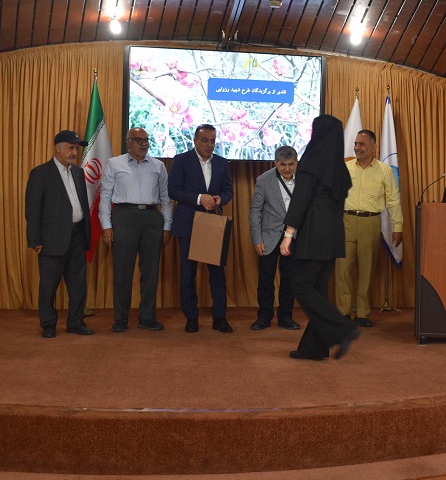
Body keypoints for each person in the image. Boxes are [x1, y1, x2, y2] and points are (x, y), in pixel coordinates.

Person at [280, 115, 360, 361]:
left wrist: (288, 234)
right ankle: (314, 348)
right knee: (318, 290)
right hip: (333, 235)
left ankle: (342, 328)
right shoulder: (339, 168)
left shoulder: (312, 160)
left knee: (301, 285)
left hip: (313, 234)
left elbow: (300, 200)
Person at [99, 127, 173, 333]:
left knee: (150, 272)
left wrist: (167, 226)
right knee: (122, 272)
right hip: (124, 216)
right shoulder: (114, 164)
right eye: (139, 140)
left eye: (146, 140)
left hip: (152, 217)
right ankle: (120, 319)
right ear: (128, 142)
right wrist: (106, 226)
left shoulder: (158, 166)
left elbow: (166, 199)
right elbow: (105, 196)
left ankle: (147, 318)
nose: (144, 144)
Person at [24, 130, 94, 338]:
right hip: (52, 239)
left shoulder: (78, 173)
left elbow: (82, 204)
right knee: (48, 285)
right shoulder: (41, 173)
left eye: (76, 149)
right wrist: (35, 240)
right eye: (71, 148)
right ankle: (48, 324)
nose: (74, 152)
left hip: (78, 236)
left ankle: (75, 322)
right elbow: (33, 210)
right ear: (58, 148)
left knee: (78, 284)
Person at [169, 124, 235, 333]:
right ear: (195, 141)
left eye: (213, 141)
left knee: (217, 274)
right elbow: (173, 191)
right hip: (188, 223)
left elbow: (228, 190)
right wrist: (199, 198)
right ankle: (191, 318)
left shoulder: (222, 163)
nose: (209, 145)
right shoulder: (181, 160)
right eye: (205, 140)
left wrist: (220, 199)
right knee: (188, 274)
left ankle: (219, 318)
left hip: (212, 223)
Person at [335, 129, 403, 328]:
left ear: (373, 147)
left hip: (371, 222)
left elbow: (393, 200)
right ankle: (343, 312)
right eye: (355, 144)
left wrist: (398, 226)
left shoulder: (385, 171)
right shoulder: (345, 168)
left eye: (361, 144)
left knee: (367, 270)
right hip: (345, 222)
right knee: (342, 269)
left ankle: (362, 313)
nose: (357, 147)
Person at [248, 145, 301, 331]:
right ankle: (264, 316)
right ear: (275, 163)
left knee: (290, 279)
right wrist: (257, 238)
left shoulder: (304, 179)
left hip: (294, 236)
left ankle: (286, 316)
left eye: (291, 164)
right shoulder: (264, 180)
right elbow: (255, 211)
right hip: (269, 236)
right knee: (266, 279)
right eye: (282, 165)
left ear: (296, 162)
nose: (287, 169)